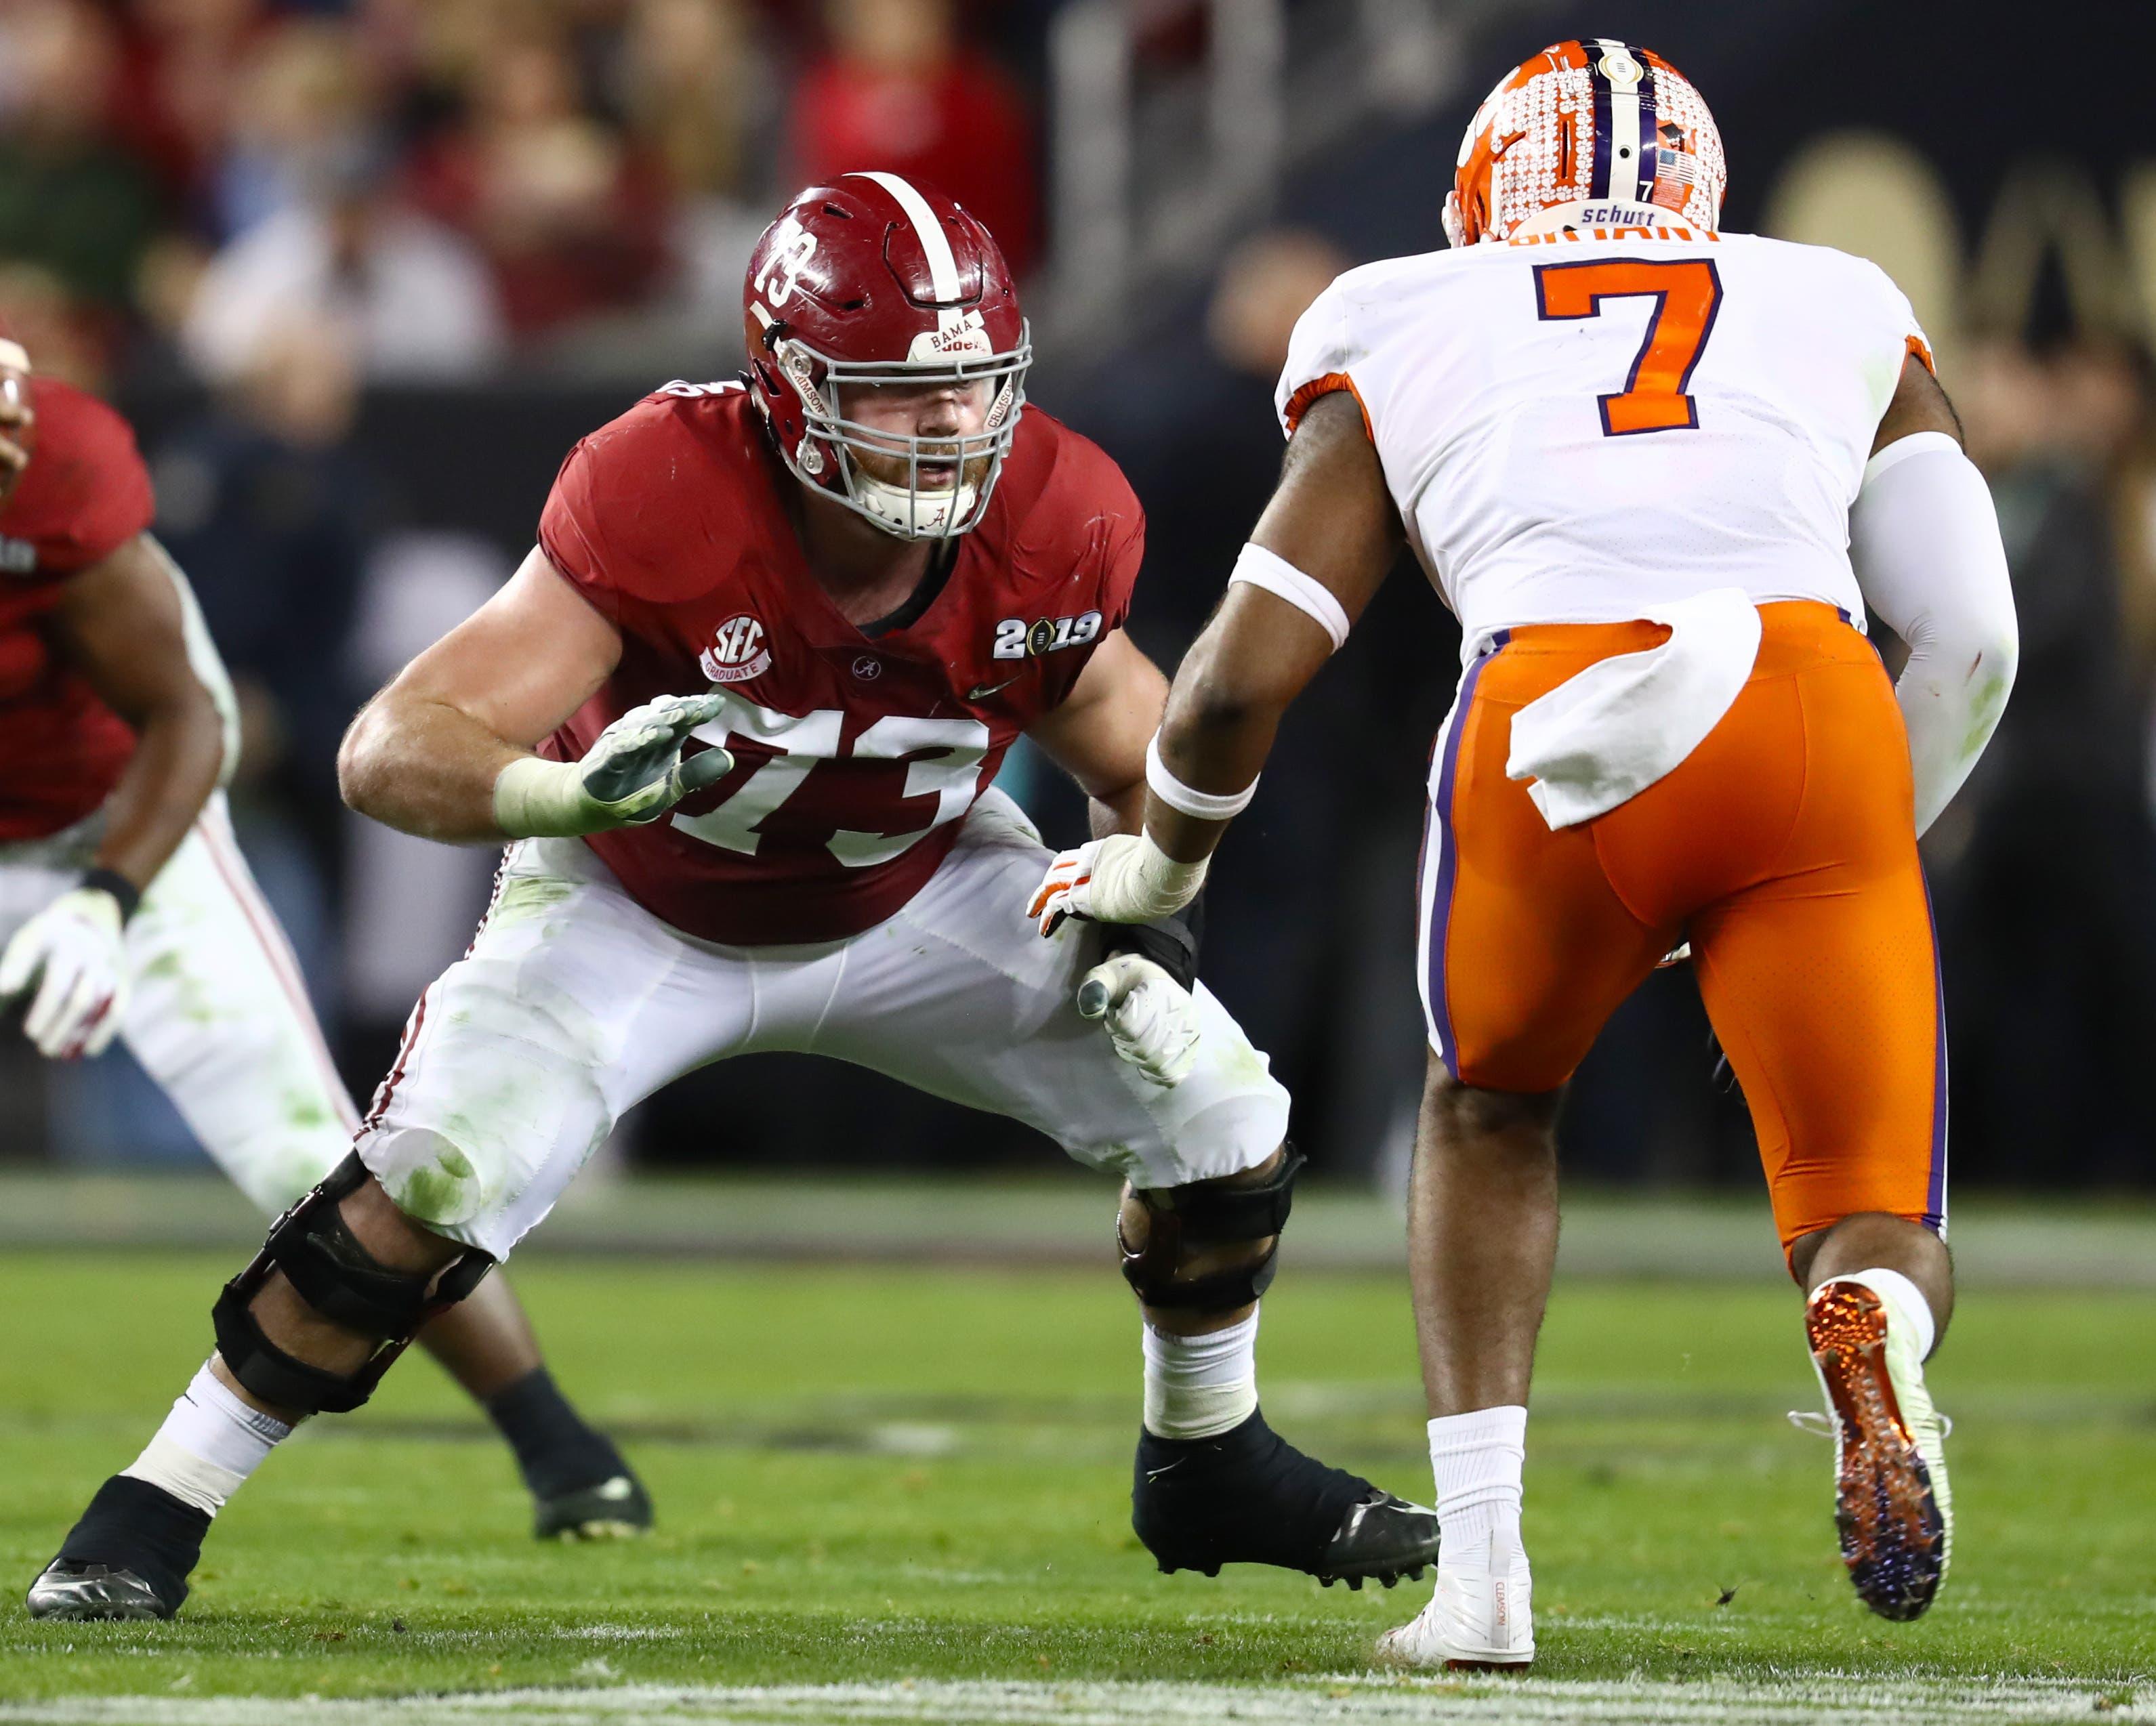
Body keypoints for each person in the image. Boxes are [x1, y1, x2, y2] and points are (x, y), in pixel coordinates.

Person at [26, 173, 1443, 1622]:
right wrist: (562, 794)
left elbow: (1145, 754)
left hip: (921, 896)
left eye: (971, 387)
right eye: (898, 393)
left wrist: (1149, 917)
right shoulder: (667, 481)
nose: (950, 427)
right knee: (426, 1181)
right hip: (640, 902)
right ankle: (155, 1500)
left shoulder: (1054, 507)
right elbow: (390, 747)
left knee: (1223, 1110)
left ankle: (1206, 1453)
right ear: (789, 388)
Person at [1031, 39, 2019, 1666]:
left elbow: (1233, 679)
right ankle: (1872, 1331)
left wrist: (1158, 872)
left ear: (1484, 197)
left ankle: (1485, 1584)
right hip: (1809, 695)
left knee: (1488, 1112)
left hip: (1559, 706)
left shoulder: (1405, 305)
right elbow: (1970, 632)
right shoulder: (1832, 295)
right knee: (1870, 1209)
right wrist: (1855, 841)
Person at [0, 337, 653, 1623]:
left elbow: (193, 718)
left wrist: (108, 897)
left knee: (308, 1154)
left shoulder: (64, 482)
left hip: (108, 830)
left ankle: (553, 1438)